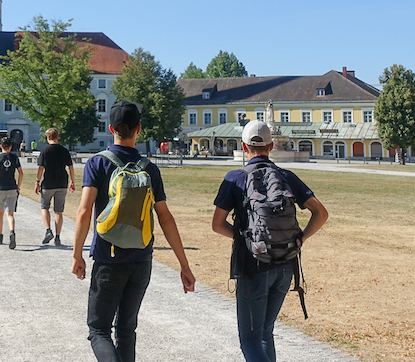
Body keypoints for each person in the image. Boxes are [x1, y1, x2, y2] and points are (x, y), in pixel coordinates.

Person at [72, 101, 195, 362]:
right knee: (127, 329)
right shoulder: (149, 168)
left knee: (98, 330)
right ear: (138, 130)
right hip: (141, 260)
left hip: (108, 258)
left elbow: (84, 211)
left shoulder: (97, 163)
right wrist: (184, 265)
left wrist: (76, 255)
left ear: (111, 129)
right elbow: (165, 218)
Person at [211, 120, 329, 362]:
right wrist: (300, 239)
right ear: (271, 146)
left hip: (253, 266)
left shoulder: (236, 178)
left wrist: (247, 239)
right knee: (266, 332)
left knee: (250, 340)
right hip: (285, 265)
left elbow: (217, 224)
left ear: (244, 147)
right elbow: (321, 213)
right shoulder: (286, 177)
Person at [35, 127, 75, 246]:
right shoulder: (64, 150)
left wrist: (37, 181)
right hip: (62, 183)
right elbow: (70, 167)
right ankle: (57, 237)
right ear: (57, 137)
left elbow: (41, 168)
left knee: (44, 207)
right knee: (58, 211)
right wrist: (72, 181)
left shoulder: (45, 151)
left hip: (48, 183)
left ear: (48, 138)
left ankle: (48, 230)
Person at [0, 139, 23, 249]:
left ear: (1, 146)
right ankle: (12, 231)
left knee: (0, 212)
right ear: (10, 147)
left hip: (0, 187)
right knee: (10, 214)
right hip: (12, 187)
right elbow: (21, 173)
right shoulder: (14, 158)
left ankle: (0, 236)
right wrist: (18, 186)